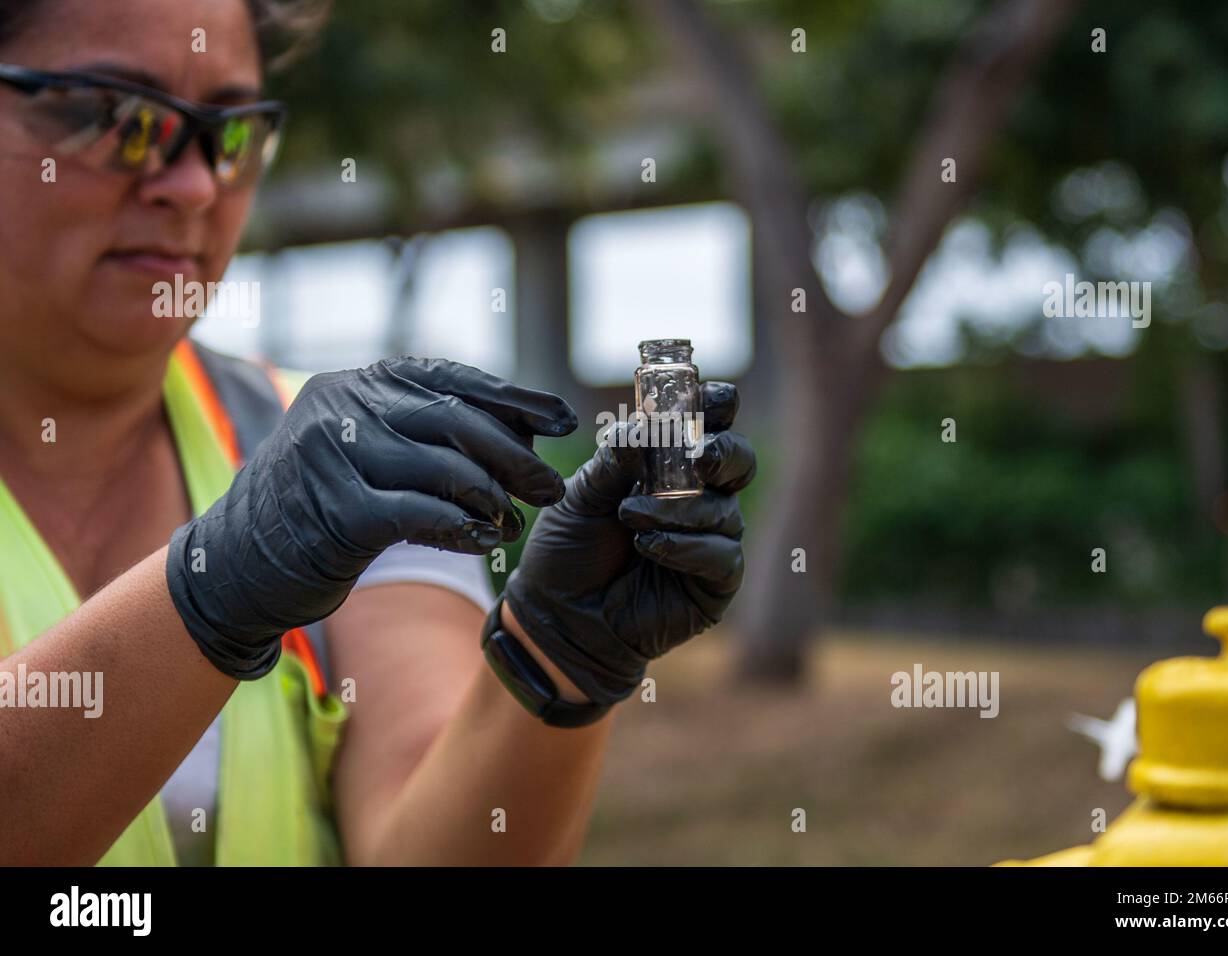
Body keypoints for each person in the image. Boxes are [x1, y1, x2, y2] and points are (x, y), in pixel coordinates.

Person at [0, 0, 756, 866]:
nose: (197, 183)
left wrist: (558, 660)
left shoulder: (349, 461)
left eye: (233, 132)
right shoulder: (320, 480)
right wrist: (209, 595)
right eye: (121, 120)